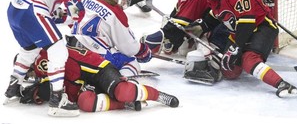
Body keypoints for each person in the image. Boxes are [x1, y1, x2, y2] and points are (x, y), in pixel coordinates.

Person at [4, 0, 91, 117]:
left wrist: (70, 17)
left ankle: (12, 90)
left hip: (15, 10)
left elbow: (53, 13)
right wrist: (75, 2)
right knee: (58, 50)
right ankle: (57, 102)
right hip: (32, 10)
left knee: (29, 50)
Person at [194, 0, 297, 98]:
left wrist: (236, 47)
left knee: (248, 60)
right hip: (240, 31)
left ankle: (283, 85)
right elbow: (217, 14)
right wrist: (201, 26)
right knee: (229, 70)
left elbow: (247, 22)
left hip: (262, 27)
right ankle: (252, 65)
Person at [18, 45, 179, 112]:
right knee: (86, 102)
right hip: (85, 78)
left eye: (29, 75)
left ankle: (157, 95)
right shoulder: (43, 57)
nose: (32, 78)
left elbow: (71, 74)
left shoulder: (41, 61)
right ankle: (125, 102)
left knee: (123, 91)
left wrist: (40, 92)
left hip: (99, 70)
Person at [142, 0, 228, 84]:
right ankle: (176, 44)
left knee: (199, 43)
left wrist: (158, 37)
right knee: (171, 24)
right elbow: (177, 16)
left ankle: (208, 62)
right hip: (212, 19)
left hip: (220, 24)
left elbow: (181, 23)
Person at [65, 0, 152, 77]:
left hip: (71, 46)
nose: (124, 2)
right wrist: (142, 50)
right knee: (132, 63)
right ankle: (117, 85)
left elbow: (69, 19)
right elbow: (128, 48)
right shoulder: (116, 13)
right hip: (93, 53)